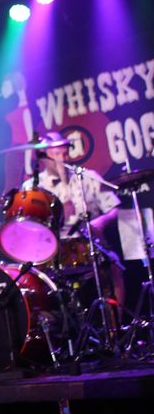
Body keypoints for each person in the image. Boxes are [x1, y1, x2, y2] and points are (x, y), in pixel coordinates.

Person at [32, 131, 125, 315]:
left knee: (113, 268)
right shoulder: (34, 187)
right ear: (44, 157)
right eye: (56, 154)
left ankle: (115, 325)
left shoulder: (87, 177)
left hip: (87, 241)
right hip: (53, 248)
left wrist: (100, 222)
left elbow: (113, 208)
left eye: (65, 153)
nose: (62, 158)